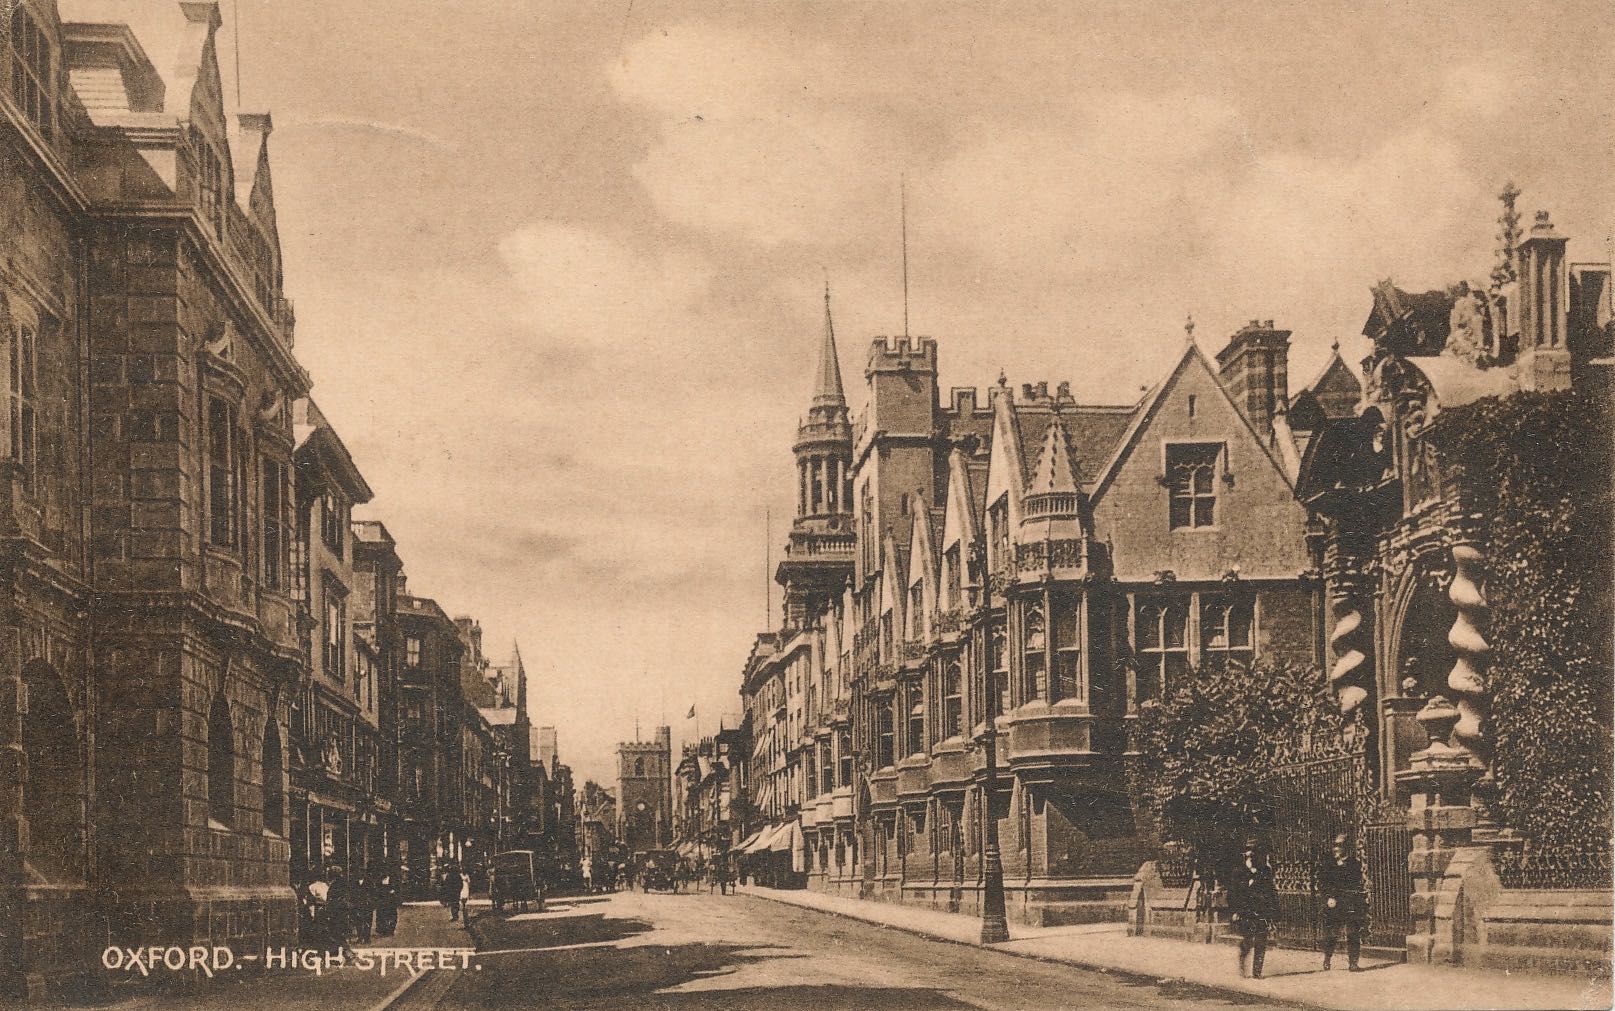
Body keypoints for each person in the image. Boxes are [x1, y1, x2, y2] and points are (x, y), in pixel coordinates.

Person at [1229, 836, 1277, 979]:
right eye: (1248, 850)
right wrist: (1235, 911)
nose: (1250, 853)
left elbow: (1271, 892)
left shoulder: (1265, 870)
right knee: (1248, 940)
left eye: (1253, 850)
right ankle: (1242, 962)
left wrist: (1273, 914)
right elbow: (1234, 893)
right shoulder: (1239, 871)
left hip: (1261, 911)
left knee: (1261, 941)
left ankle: (1257, 972)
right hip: (1246, 911)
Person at [1319, 833, 1368, 971]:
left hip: (1350, 902)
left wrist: (1342, 866)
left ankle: (1353, 963)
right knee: (1332, 934)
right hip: (1334, 903)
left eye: (1339, 845)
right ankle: (1327, 958)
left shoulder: (1353, 863)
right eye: (1335, 845)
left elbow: (1354, 882)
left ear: (1346, 847)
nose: (1336, 848)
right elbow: (1324, 883)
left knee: (1353, 933)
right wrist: (1329, 897)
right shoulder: (1329, 864)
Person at [374, 868, 400, 937]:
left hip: (391, 901)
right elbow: (376, 890)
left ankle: (391, 930)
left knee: (392, 916)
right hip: (382, 901)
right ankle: (382, 930)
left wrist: (394, 892)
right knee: (381, 915)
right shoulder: (379, 880)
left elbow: (397, 889)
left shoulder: (393, 879)